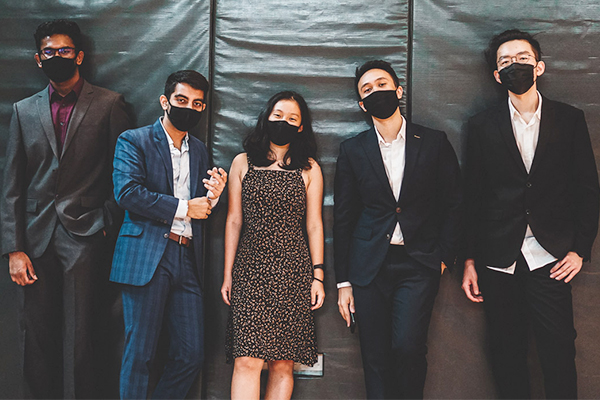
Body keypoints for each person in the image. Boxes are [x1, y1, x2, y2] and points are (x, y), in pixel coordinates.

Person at [461, 29, 600, 399]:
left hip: (550, 256)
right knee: (506, 354)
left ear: (539, 66)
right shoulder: (480, 125)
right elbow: (472, 197)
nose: (514, 66)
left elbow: (587, 189)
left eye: (522, 59)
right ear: (496, 75)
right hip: (497, 258)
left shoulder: (569, 119)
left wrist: (579, 249)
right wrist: (470, 258)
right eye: (505, 62)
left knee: (558, 350)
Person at [0, 19, 132, 398]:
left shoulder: (109, 104)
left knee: (81, 337)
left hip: (86, 235)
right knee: (36, 337)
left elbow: (122, 174)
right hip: (35, 240)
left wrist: (107, 222)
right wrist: (14, 248)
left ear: (79, 55)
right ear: (38, 59)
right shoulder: (24, 111)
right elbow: (12, 184)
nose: (58, 56)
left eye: (65, 50)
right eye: (50, 52)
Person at [334, 60, 462, 399]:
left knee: (407, 347)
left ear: (398, 90)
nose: (376, 91)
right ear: (362, 104)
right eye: (367, 90)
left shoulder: (433, 141)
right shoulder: (353, 149)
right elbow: (344, 217)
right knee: (374, 356)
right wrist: (343, 280)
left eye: (382, 84)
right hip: (368, 267)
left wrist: (444, 257)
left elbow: (454, 202)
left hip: (418, 264)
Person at [110, 70, 227, 399]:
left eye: (197, 103)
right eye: (181, 100)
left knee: (191, 355)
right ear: (165, 101)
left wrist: (214, 198)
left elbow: (200, 207)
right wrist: (184, 208)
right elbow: (128, 193)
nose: (189, 107)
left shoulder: (200, 151)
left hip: (186, 257)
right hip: (147, 256)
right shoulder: (134, 141)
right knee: (140, 354)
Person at [221, 91, 325, 400]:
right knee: (247, 359)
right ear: (267, 117)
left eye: (293, 118)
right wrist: (228, 274)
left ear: (302, 126)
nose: (284, 122)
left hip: (293, 271)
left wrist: (318, 275)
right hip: (250, 270)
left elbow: (315, 224)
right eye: (279, 115)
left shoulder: (309, 168)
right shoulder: (242, 163)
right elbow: (233, 221)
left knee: (283, 363)